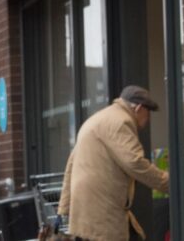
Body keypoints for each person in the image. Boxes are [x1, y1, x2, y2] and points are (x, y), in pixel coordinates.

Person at [56, 85, 169, 241]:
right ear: (138, 108)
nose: (148, 118)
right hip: (102, 213)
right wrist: (169, 183)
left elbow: (71, 166)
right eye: (148, 113)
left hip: (85, 213)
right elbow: (135, 163)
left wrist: (63, 209)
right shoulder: (121, 122)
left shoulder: (96, 119)